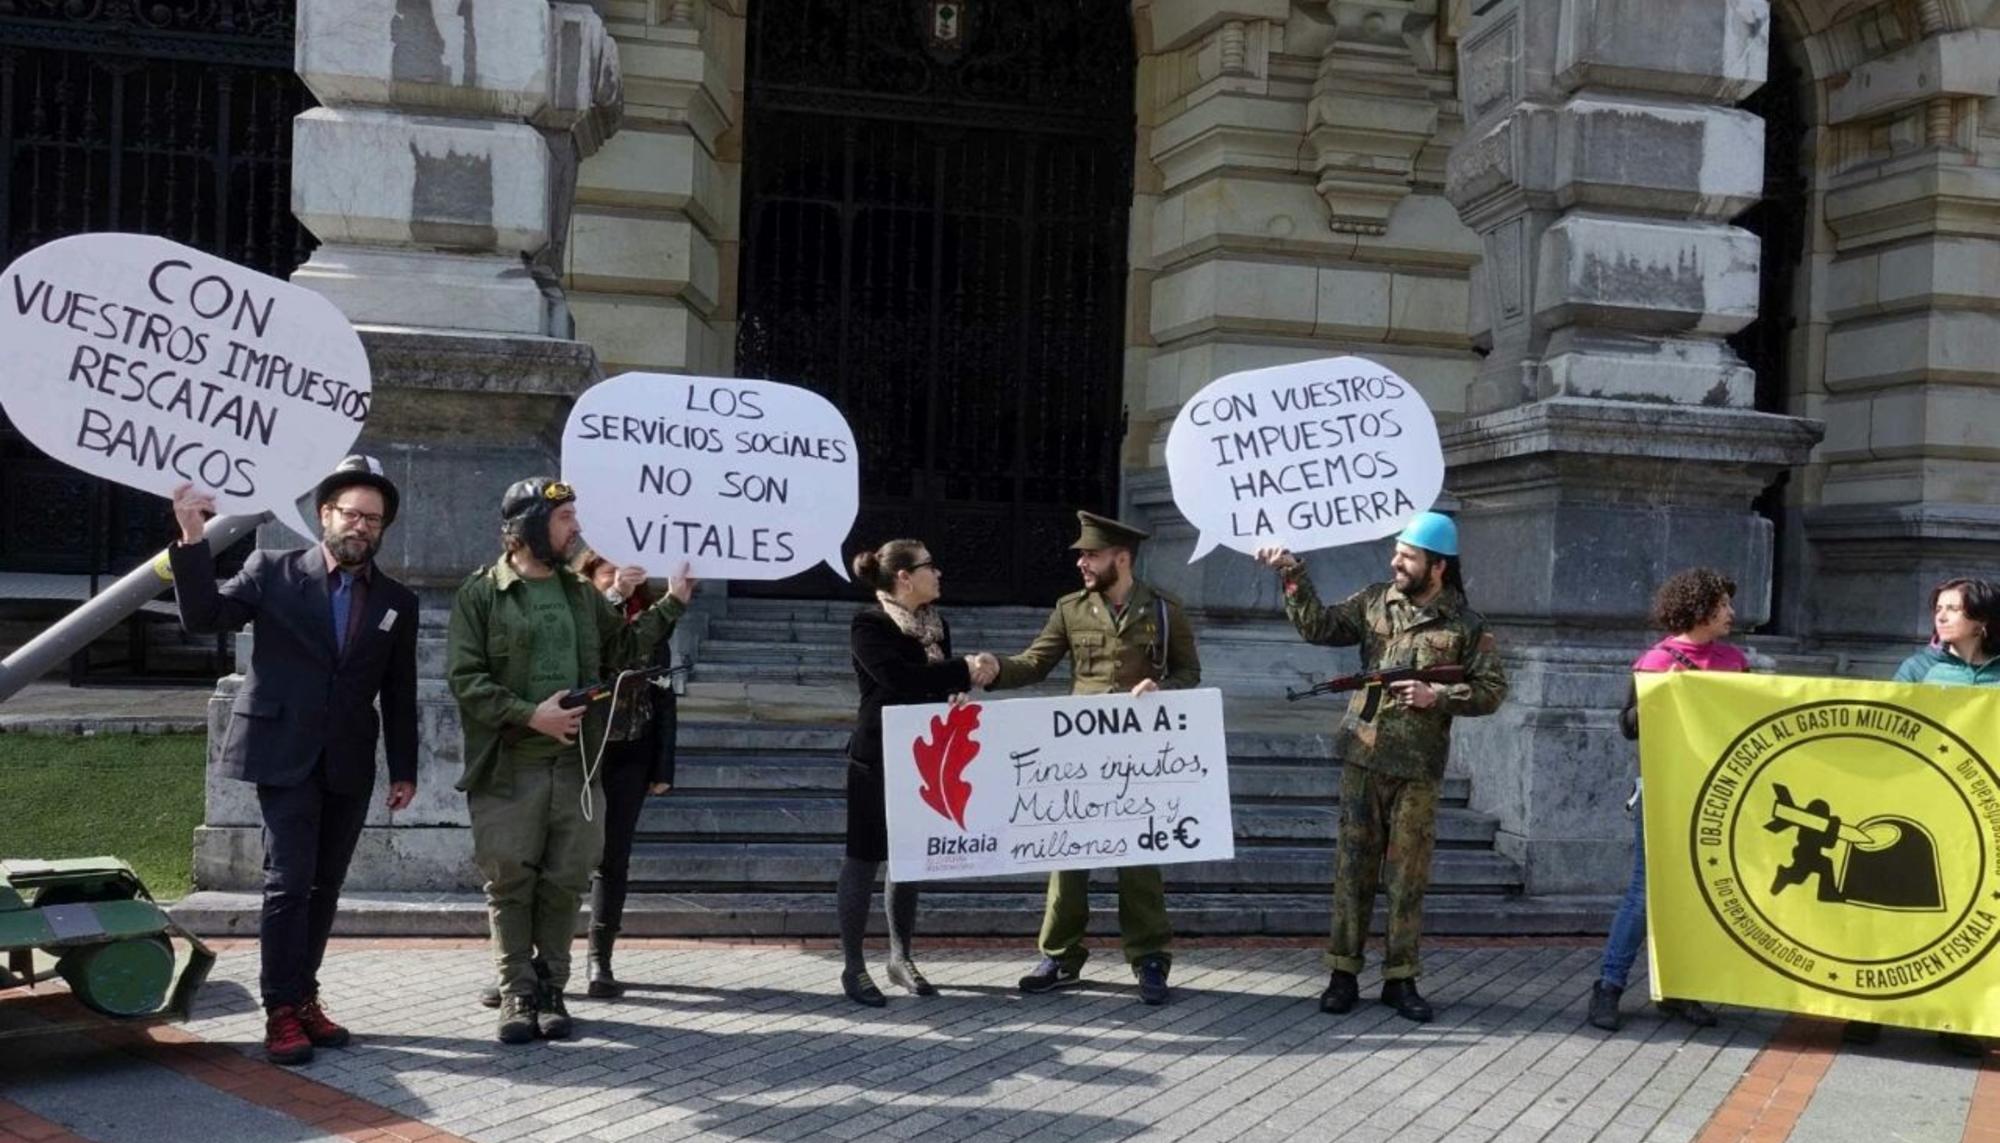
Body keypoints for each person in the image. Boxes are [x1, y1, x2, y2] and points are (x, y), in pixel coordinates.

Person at [167, 456, 419, 1065]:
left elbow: (400, 689)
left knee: (326, 886)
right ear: (326, 514)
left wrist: (406, 769)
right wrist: (193, 538)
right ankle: (280, 1010)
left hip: (350, 761)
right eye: (352, 514)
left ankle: (304, 997)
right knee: (288, 882)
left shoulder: (395, 600)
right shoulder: (272, 570)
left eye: (374, 520)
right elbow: (204, 617)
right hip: (283, 753)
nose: (361, 527)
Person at [446, 478, 692, 1044]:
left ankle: (553, 989)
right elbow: (466, 680)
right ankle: (517, 993)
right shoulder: (481, 594)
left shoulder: (581, 596)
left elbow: (625, 652)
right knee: (510, 883)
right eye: (563, 520)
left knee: (564, 882)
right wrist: (531, 715)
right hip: (508, 768)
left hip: (578, 770)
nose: (575, 528)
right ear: (529, 525)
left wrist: (673, 601)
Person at [1254, 511, 1507, 1023]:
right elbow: (1318, 627)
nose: (1396, 561)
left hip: (1417, 767)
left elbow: (1491, 691)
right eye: (1397, 552)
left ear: (1437, 567)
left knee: (1407, 875)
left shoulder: (1467, 625)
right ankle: (1342, 972)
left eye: (1408, 556)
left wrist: (1438, 694)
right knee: (1353, 869)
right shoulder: (1374, 601)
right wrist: (1292, 573)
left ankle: (1401, 978)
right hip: (1363, 756)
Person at [977, 510, 1200, 1006]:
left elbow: (1190, 674)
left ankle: (1150, 960)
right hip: (1078, 759)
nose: (1081, 562)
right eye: (1081, 554)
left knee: (1139, 860)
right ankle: (1059, 956)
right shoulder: (1071, 609)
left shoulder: (1165, 610)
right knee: (1067, 858)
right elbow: (1036, 663)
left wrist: (1161, 688)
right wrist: (995, 671)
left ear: (1121, 558)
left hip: (1139, 759)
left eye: (1091, 554)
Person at [1844, 576, 1998, 1058]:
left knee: (1963, 911)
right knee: (1891, 910)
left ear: (1983, 621)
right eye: (1940, 608)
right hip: (1918, 805)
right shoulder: (1918, 668)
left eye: (1954, 609)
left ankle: (1953, 1017)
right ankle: (1869, 1012)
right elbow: (1887, 729)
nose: (1942, 616)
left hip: (1979, 816)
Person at [1587, 567, 1746, 1033]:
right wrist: (1664, 694)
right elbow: (1628, 726)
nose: (1732, 613)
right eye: (1723, 606)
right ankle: (1608, 986)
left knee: (1699, 891)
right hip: (1664, 789)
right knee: (1646, 891)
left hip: (1717, 794)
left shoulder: (1735, 660)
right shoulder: (1655, 662)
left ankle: (1679, 990)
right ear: (1699, 610)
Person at [840, 538, 993, 1006]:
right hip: (876, 756)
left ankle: (900, 957)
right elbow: (900, 679)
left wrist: (956, 692)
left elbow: (935, 684)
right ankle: (853, 966)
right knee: (864, 858)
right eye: (930, 566)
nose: (939, 573)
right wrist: (962, 670)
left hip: (923, 756)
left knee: (909, 858)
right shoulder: (869, 623)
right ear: (904, 577)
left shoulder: (935, 623)